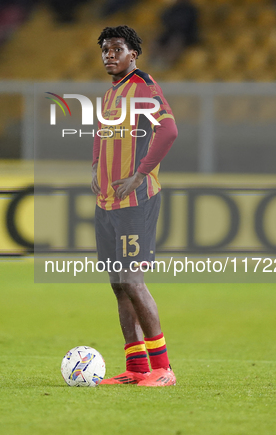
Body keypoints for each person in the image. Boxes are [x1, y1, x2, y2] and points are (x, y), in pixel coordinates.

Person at [92, 25, 177, 386]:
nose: (110, 55)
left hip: (135, 202)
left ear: (133, 54)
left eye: (117, 49)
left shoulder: (142, 86)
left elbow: (169, 130)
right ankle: (137, 367)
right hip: (107, 202)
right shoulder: (111, 94)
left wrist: (141, 174)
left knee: (132, 279)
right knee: (118, 283)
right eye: (105, 50)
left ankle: (163, 368)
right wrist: (95, 168)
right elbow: (102, 135)